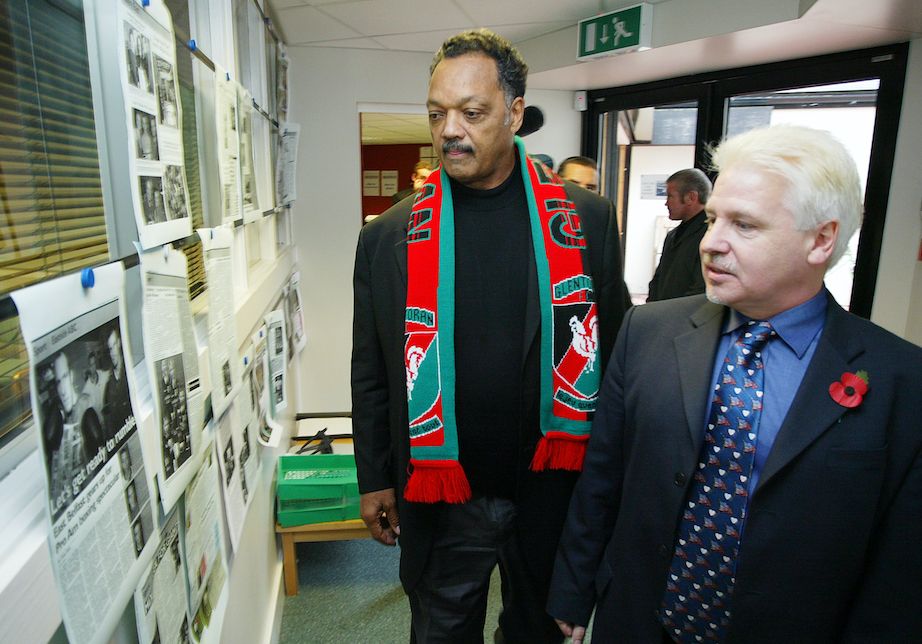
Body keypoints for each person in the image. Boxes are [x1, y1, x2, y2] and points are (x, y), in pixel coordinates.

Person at [548, 124, 922, 643]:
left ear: (821, 239)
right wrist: (574, 590)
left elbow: (898, 561)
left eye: (744, 225)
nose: (711, 242)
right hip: (638, 616)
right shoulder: (648, 332)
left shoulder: (899, 379)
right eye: (712, 219)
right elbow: (603, 479)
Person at [351, 29, 631, 643]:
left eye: (471, 113)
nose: (450, 129)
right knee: (442, 631)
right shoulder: (387, 238)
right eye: (436, 113)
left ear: (514, 113)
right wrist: (373, 476)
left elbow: (616, 359)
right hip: (442, 489)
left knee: (537, 633)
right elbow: (371, 369)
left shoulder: (585, 221)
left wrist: (612, 483)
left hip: (551, 487)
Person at [646, 168, 712, 302]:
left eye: (670, 196)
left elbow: (701, 291)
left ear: (691, 197)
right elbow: (657, 280)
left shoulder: (710, 236)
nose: (666, 202)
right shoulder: (672, 235)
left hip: (684, 318)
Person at [103, 328, 132, 440]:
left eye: (114, 345)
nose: (113, 353)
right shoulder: (109, 385)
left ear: (119, 343)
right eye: (110, 349)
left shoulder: (130, 369)